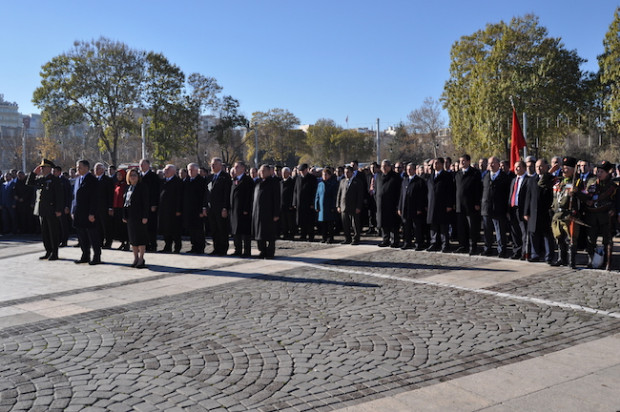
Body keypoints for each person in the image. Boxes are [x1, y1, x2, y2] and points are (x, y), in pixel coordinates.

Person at [577, 161, 617, 270]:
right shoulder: (592, 184)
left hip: (606, 218)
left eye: (602, 172)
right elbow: (587, 196)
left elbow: (617, 202)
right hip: (592, 217)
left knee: (607, 240)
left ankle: (607, 262)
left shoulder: (613, 187)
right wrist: (585, 199)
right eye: (598, 171)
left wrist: (613, 209)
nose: (599, 174)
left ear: (608, 172)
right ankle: (591, 260)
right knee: (591, 240)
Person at [26, 159, 64, 260]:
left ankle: (54, 253)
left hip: (52, 210)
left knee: (53, 232)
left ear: (49, 168)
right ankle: (48, 251)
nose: (41, 169)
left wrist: (59, 209)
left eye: (43, 167)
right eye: (41, 167)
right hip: (42, 210)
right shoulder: (41, 179)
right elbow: (29, 183)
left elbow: (59, 196)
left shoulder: (54, 180)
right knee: (45, 233)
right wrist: (34, 173)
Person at [548, 157, 579, 267]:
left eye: (567, 168)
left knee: (570, 238)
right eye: (563, 168)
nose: (564, 170)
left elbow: (584, 196)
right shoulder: (558, 181)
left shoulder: (577, 181)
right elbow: (541, 183)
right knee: (559, 237)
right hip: (557, 214)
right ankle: (562, 259)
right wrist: (550, 172)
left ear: (573, 170)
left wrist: (576, 192)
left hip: (568, 214)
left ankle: (572, 260)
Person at [524, 159, 555, 263]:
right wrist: (526, 212)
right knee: (534, 234)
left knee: (547, 235)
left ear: (546, 167)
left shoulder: (551, 179)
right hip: (533, 212)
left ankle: (549, 256)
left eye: (541, 166)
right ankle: (535, 254)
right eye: (537, 166)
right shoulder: (532, 180)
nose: (538, 169)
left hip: (546, 212)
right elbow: (528, 197)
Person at [72, 159, 102, 265]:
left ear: (86, 168)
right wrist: (73, 210)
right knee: (82, 236)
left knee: (93, 236)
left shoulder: (92, 180)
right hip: (79, 213)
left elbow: (95, 198)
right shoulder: (78, 179)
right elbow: (74, 197)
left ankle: (97, 256)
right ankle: (85, 255)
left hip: (89, 213)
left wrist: (92, 213)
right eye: (77, 167)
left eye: (79, 167)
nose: (78, 169)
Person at [481, 156, 511, 257]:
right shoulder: (486, 176)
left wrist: (506, 209)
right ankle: (487, 248)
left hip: (499, 209)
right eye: (489, 163)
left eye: (493, 163)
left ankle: (502, 250)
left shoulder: (504, 177)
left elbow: (507, 194)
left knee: (500, 232)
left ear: (498, 164)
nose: (491, 165)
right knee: (487, 231)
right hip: (487, 208)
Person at [454, 154, 482, 255]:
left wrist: (477, 203)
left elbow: (478, 189)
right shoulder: (457, 174)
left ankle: (472, 246)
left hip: (471, 205)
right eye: (460, 161)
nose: (462, 162)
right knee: (461, 227)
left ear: (469, 161)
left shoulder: (475, 173)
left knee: (472, 228)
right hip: (459, 206)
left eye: (464, 161)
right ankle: (463, 245)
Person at [426, 157, 455, 252]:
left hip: (443, 205)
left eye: (437, 163)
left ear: (442, 164)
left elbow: (450, 191)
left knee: (443, 226)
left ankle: (445, 244)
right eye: (434, 163)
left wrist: (449, 205)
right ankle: (434, 243)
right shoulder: (431, 176)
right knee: (433, 226)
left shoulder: (447, 176)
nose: (435, 165)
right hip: (432, 205)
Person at [252, 164, 281, 258]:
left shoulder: (273, 183)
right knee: (259, 235)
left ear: (269, 172)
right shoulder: (258, 183)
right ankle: (262, 251)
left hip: (269, 213)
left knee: (270, 234)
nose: (262, 172)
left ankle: (270, 252)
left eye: (264, 171)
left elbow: (277, 199)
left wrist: (276, 213)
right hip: (258, 213)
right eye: (260, 171)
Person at [123, 168, 150, 268]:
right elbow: (125, 202)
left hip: (139, 216)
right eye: (131, 175)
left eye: (135, 175)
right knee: (133, 239)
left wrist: (145, 216)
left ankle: (141, 258)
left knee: (140, 238)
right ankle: (135, 258)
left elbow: (146, 203)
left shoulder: (142, 187)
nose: (133, 177)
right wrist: (124, 215)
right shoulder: (128, 188)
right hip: (130, 217)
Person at [205, 157, 232, 256]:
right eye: (212, 164)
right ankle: (216, 248)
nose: (212, 166)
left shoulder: (225, 177)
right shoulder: (210, 177)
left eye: (215, 164)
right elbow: (207, 193)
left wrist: (225, 208)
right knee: (214, 229)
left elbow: (226, 193)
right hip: (211, 208)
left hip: (221, 208)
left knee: (222, 229)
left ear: (220, 166)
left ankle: (223, 249)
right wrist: (205, 207)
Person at [398, 162, 427, 250]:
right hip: (405, 207)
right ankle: (407, 242)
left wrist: (419, 208)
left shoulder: (419, 181)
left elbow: (422, 196)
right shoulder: (405, 180)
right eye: (407, 169)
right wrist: (399, 207)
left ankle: (418, 243)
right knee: (406, 226)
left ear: (414, 170)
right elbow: (401, 195)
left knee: (416, 227)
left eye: (410, 169)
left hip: (415, 208)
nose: (409, 171)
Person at [376, 160, 402, 248]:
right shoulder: (379, 176)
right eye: (382, 166)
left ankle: (395, 240)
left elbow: (399, 192)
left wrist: (398, 206)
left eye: (385, 166)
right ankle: (385, 240)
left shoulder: (395, 177)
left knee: (393, 224)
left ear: (390, 167)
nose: (384, 168)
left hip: (392, 204)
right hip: (381, 204)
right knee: (383, 223)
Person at [229, 161, 254, 257]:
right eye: (234, 167)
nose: (235, 169)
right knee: (236, 231)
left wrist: (246, 208)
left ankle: (247, 251)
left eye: (237, 167)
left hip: (243, 210)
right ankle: (237, 249)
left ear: (243, 168)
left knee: (245, 232)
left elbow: (249, 196)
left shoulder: (247, 180)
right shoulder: (234, 179)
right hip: (234, 209)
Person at [158, 164, 183, 254]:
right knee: (166, 229)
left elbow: (179, 197)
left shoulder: (177, 182)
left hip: (174, 210)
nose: (165, 171)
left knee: (175, 230)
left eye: (168, 169)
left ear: (173, 171)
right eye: (165, 169)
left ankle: (177, 247)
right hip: (164, 210)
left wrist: (178, 209)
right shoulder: (163, 181)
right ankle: (167, 246)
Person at [507, 160, 529, 260]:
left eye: (519, 167)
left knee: (524, 233)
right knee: (515, 232)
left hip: (522, 210)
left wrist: (527, 211)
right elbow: (511, 194)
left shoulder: (528, 180)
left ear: (524, 168)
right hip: (513, 209)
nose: (516, 169)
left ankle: (524, 253)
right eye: (515, 167)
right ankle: (516, 251)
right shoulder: (513, 180)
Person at [337, 165, 365, 245]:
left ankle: (356, 238)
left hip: (354, 206)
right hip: (343, 206)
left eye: (348, 172)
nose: (346, 174)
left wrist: (358, 207)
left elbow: (360, 195)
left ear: (352, 173)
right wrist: (338, 205)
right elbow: (339, 194)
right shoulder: (342, 181)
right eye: (345, 172)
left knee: (355, 224)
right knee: (345, 224)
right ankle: (347, 238)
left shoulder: (357, 181)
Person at [183, 163, 207, 254]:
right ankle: (194, 246)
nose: (190, 171)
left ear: (197, 170)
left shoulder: (201, 181)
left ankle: (200, 247)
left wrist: (202, 209)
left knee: (199, 229)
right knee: (192, 229)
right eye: (189, 170)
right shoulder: (187, 181)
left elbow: (204, 196)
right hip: (189, 210)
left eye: (192, 170)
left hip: (198, 210)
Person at [293, 163, 318, 241]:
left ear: (306, 170)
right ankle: (303, 235)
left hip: (309, 203)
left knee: (309, 221)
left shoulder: (312, 178)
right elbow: (295, 191)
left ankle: (311, 235)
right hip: (300, 203)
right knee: (302, 220)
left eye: (303, 170)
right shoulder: (298, 178)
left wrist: (312, 203)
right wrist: (294, 202)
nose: (302, 172)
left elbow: (314, 192)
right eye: (300, 171)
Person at [139, 159, 160, 252]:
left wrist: (154, 204)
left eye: (143, 164)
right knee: (142, 227)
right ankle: (145, 244)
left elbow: (156, 191)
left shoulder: (153, 176)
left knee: (151, 226)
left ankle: (153, 245)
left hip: (150, 205)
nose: (141, 166)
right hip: (141, 205)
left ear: (148, 165)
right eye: (140, 164)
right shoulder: (138, 176)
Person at [314, 167, 339, 243]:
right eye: (323, 175)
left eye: (326, 175)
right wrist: (316, 205)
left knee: (330, 224)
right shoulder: (320, 184)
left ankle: (331, 238)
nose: (324, 176)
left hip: (329, 206)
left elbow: (334, 196)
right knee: (323, 224)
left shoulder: (333, 184)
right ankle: (324, 237)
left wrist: (333, 206)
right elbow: (317, 196)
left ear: (329, 175)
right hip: (321, 207)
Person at [94, 163, 115, 249]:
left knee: (106, 226)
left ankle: (108, 242)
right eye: (95, 168)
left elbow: (110, 194)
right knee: (98, 226)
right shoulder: (95, 180)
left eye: (98, 168)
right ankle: (100, 241)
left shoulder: (107, 180)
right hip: (97, 207)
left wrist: (110, 207)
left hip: (105, 207)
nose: (96, 170)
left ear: (102, 170)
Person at [112, 169, 129, 251]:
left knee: (124, 226)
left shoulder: (126, 185)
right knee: (118, 226)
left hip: (123, 208)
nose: (119, 177)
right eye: (117, 175)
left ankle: (127, 243)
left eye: (120, 175)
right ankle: (122, 242)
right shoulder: (116, 184)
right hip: (117, 208)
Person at [280, 167, 296, 240]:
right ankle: (285, 233)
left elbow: (293, 194)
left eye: (285, 172)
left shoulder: (292, 182)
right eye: (282, 172)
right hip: (282, 205)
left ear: (289, 173)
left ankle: (291, 234)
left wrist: (292, 204)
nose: (283, 174)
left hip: (289, 205)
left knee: (290, 221)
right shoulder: (280, 182)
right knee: (283, 221)